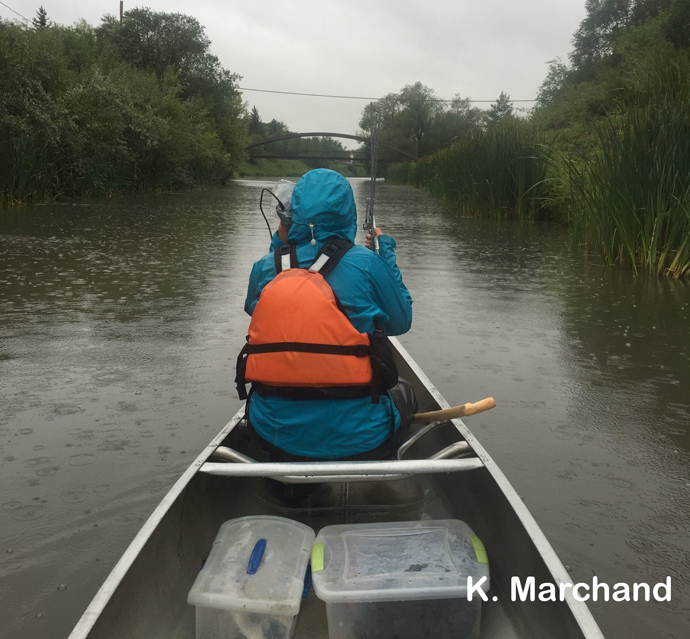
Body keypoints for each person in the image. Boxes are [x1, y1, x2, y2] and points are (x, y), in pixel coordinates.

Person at [237, 168, 416, 462]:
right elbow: (400, 322)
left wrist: (279, 245)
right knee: (405, 391)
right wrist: (386, 254)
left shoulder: (265, 267)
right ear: (348, 211)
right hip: (364, 438)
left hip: (272, 433)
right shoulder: (367, 263)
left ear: (293, 213)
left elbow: (256, 310)